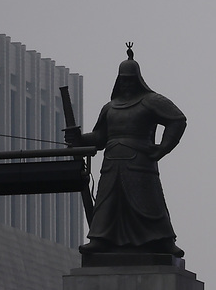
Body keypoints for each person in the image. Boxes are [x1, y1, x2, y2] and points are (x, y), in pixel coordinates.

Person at [66, 45, 187, 256]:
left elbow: (177, 120)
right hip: (112, 162)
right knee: (107, 203)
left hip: (140, 162)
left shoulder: (151, 101)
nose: (127, 84)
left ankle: (163, 241)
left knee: (149, 202)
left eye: (131, 79)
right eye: (124, 79)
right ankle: (100, 239)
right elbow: (100, 138)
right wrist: (79, 139)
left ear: (138, 80)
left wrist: (163, 148)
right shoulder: (110, 107)